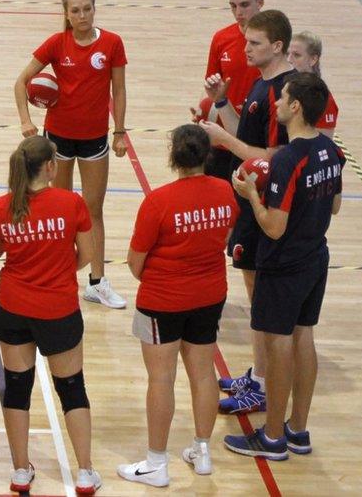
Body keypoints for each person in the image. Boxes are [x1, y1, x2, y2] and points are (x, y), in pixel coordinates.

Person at [224, 73, 344, 460]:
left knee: (278, 347)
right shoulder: (330, 150)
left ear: (296, 108)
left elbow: (273, 227)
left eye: (283, 98)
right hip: (315, 257)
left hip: (284, 263)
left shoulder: (289, 160)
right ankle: (298, 429)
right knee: (304, 337)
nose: (275, 103)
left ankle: (272, 437)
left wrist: (251, 196)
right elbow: (336, 205)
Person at [117, 125, 237, 487]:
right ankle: (202, 452)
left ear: (174, 158)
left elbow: (135, 261)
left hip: (162, 300)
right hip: (210, 295)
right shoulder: (225, 192)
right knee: (203, 374)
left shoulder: (159, 201)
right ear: (207, 155)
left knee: (161, 378)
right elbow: (224, 238)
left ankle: (156, 463)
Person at [0, 136, 100, 495]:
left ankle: (20, 471)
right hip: (59, 309)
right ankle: (84, 474)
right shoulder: (70, 203)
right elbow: (87, 254)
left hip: (13, 308)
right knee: (72, 388)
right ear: (50, 167)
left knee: (17, 390)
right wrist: (61, 270)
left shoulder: (1, 206)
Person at [199, 9, 297, 415]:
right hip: (249, 200)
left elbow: (274, 157)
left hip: (265, 206)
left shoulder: (283, 93)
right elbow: (245, 133)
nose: (245, 49)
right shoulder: (262, 84)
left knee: (262, 302)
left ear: (277, 46)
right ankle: (257, 374)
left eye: (254, 44)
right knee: (254, 295)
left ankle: (261, 385)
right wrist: (222, 104)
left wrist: (223, 139)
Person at [14, 0, 129, 310]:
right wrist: (25, 120)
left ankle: (97, 283)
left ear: (94, 9)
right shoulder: (56, 43)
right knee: (61, 209)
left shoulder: (111, 43)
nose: (82, 15)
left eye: (87, 9)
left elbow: (118, 91)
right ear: (66, 14)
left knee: (93, 210)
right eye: (75, 10)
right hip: (58, 139)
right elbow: (20, 82)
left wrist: (119, 132)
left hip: (95, 138)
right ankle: (60, 277)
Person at [197, 0, 264, 180]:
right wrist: (204, 112)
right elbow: (213, 89)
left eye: (244, 5)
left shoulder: (275, 42)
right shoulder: (221, 38)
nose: (238, 12)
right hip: (224, 141)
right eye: (233, 6)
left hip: (257, 142)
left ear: (260, 3)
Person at [287, 31, 339, 137]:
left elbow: (323, 143)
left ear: (313, 59)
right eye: (288, 54)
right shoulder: (283, 86)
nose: (289, 60)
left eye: (296, 55)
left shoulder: (324, 100)